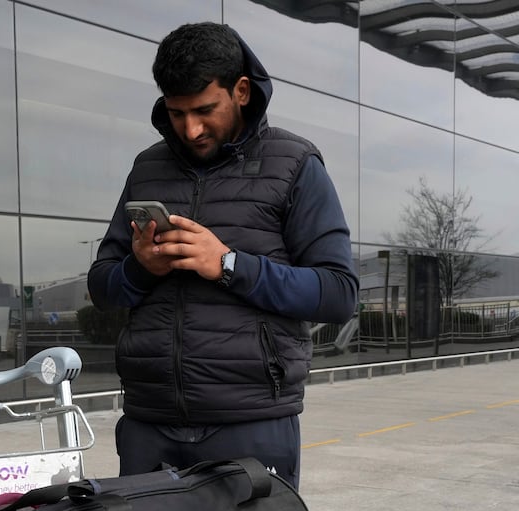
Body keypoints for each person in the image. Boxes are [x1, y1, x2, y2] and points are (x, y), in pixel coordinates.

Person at [87, 22, 358, 487]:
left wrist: (230, 265)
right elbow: (102, 285)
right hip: (149, 422)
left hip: (251, 421)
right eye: (176, 113)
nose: (191, 129)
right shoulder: (148, 167)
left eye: (204, 110)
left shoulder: (295, 165)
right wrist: (140, 269)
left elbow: (338, 293)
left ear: (242, 91)